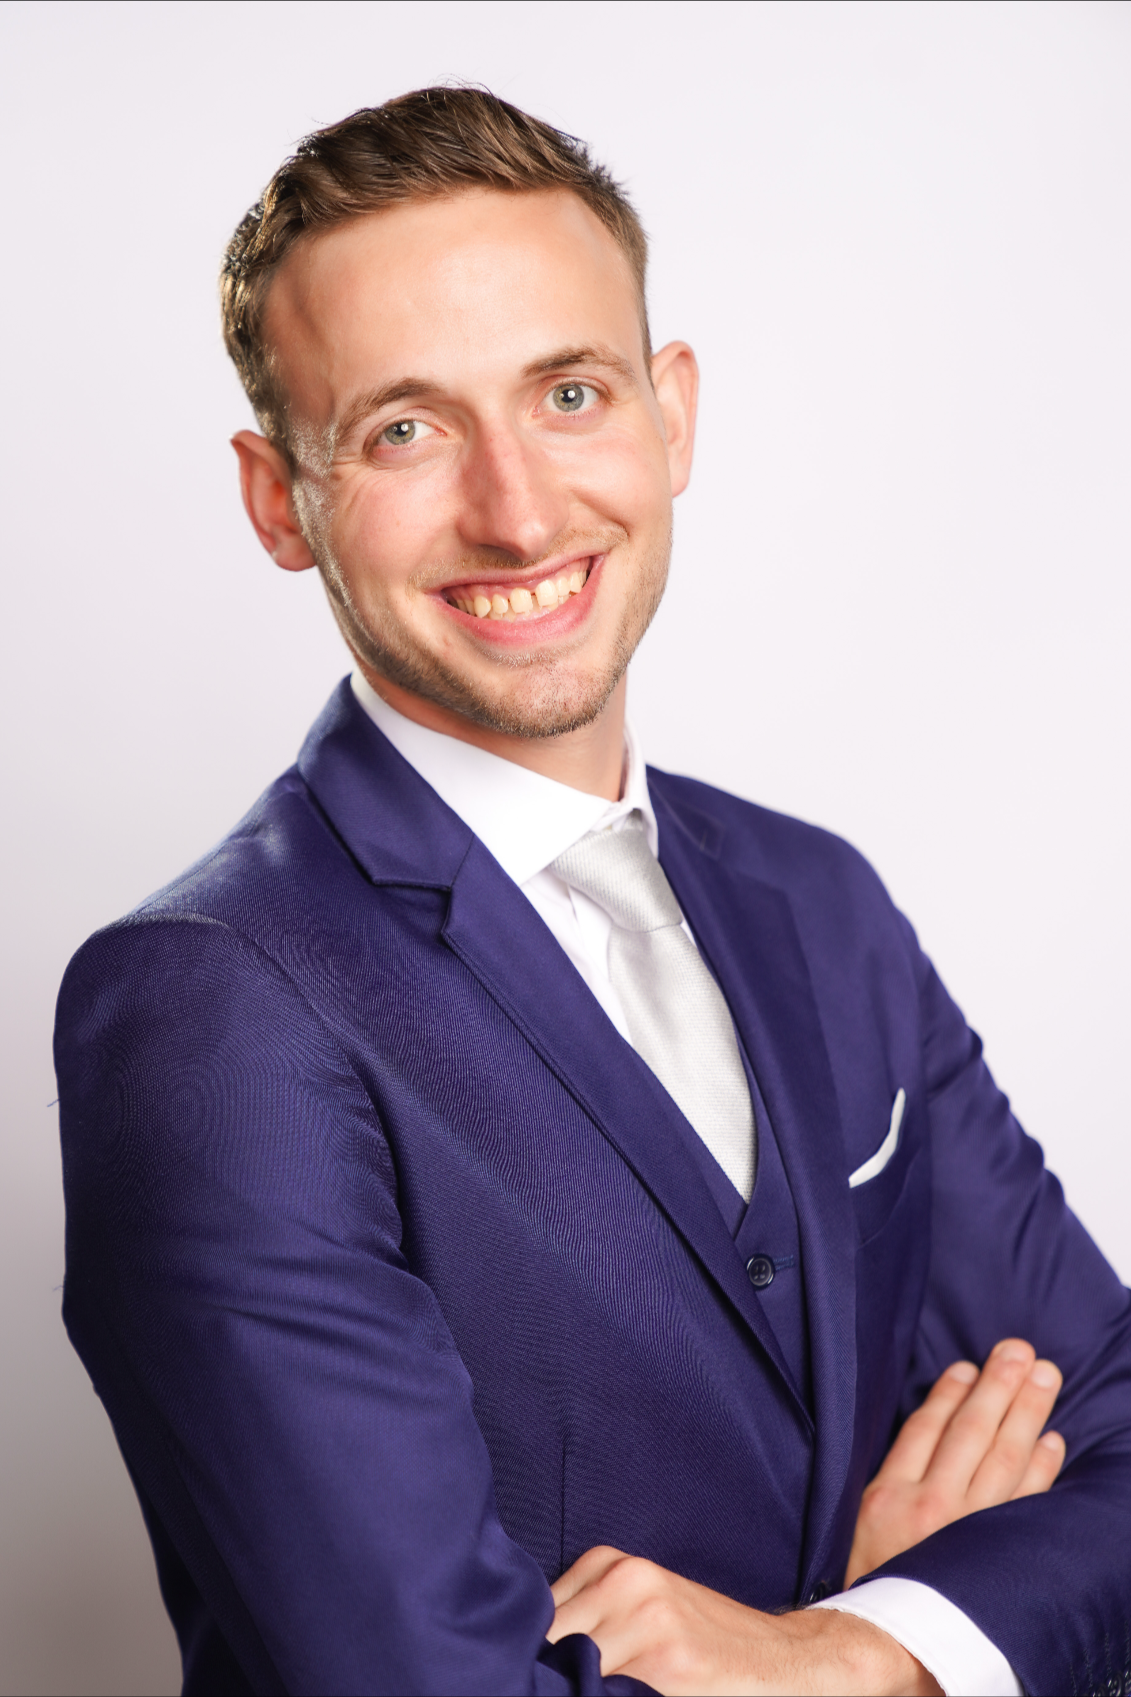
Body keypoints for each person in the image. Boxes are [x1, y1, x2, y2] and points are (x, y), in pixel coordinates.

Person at [54, 88, 1130, 1697]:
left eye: (567, 391)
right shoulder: (207, 1004)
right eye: (403, 428)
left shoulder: (813, 899)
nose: (519, 508)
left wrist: (852, 1656)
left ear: (668, 410)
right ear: (281, 498)